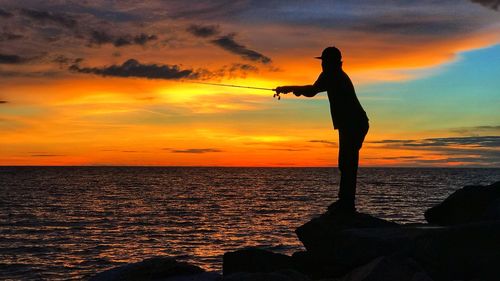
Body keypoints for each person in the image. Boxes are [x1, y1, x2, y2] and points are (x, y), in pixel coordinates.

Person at [275, 46, 369, 213]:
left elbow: (312, 90)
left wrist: (289, 88)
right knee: (346, 163)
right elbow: (312, 90)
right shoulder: (334, 74)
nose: (323, 64)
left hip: (353, 123)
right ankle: (346, 202)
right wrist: (297, 90)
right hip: (353, 123)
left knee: (348, 163)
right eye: (323, 62)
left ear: (332, 62)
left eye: (324, 61)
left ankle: (347, 203)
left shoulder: (332, 74)